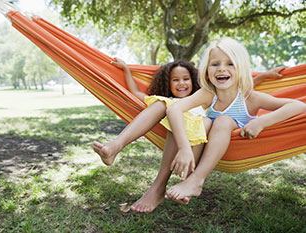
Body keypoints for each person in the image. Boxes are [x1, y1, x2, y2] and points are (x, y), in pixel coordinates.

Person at [92, 56, 286, 212]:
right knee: (164, 105)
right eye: (175, 80)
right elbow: (135, 92)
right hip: (177, 134)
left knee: (202, 120)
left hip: (200, 144)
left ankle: (185, 184)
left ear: (193, 81)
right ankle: (116, 145)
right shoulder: (166, 100)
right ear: (167, 84)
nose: (181, 83)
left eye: (185, 79)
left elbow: (236, 89)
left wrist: (264, 76)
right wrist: (126, 70)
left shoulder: (204, 98)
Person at [163, 37, 306, 205]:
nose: (221, 69)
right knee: (201, 123)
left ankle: (196, 180)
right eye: (215, 64)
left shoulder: (250, 98)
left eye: (230, 64)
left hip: (240, 144)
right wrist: (184, 148)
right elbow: (174, 109)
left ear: (241, 69)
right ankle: (188, 181)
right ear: (206, 70)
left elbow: (298, 106)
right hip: (209, 147)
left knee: (223, 120)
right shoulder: (208, 94)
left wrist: (261, 122)